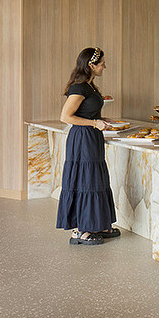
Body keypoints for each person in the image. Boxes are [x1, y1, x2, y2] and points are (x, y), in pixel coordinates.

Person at [57, 47, 119, 245]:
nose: (104, 66)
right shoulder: (79, 87)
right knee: (84, 181)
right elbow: (65, 116)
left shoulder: (90, 87)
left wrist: (100, 119)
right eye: (101, 64)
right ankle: (80, 230)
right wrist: (94, 123)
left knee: (95, 180)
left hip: (91, 139)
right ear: (91, 65)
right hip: (82, 139)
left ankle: (97, 224)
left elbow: (86, 112)